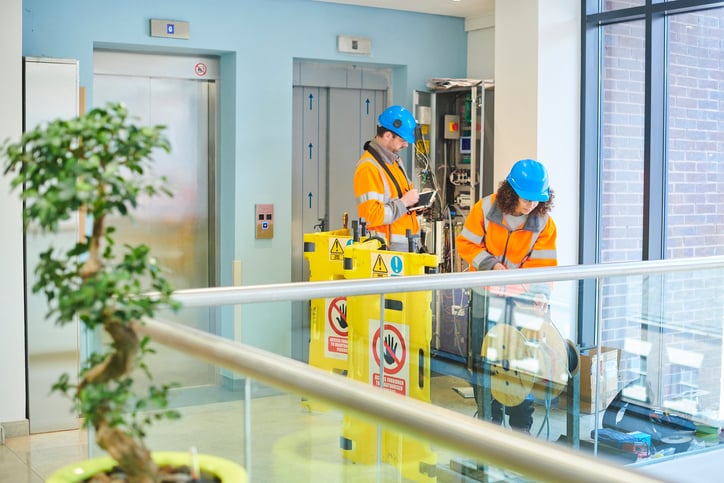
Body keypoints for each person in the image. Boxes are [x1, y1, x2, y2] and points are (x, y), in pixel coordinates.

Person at [455, 158, 557, 433]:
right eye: (526, 199)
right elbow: (465, 243)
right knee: (483, 358)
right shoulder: (485, 208)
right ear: (511, 191)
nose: (531, 205)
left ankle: (521, 427)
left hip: (521, 303)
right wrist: (490, 265)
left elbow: (544, 267)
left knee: (520, 362)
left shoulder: (544, 223)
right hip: (484, 297)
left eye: (538, 200)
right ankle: (489, 419)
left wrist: (541, 294)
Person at [353, 105, 421, 252]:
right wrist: (404, 202)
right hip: (386, 254)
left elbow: (402, 200)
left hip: (406, 250)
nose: (406, 145)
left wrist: (418, 203)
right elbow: (371, 216)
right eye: (402, 140)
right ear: (388, 135)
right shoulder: (368, 168)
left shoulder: (395, 161)